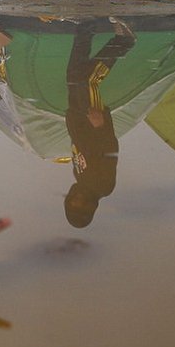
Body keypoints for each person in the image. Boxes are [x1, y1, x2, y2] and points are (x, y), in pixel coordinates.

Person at [63, 17, 136, 228]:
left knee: (73, 74)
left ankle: (85, 25)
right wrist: (101, 126)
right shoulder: (103, 187)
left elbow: (80, 146)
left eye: (72, 203)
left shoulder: (79, 178)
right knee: (88, 80)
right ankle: (124, 41)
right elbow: (110, 152)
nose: (77, 200)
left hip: (77, 116)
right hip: (92, 120)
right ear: (90, 208)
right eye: (81, 206)